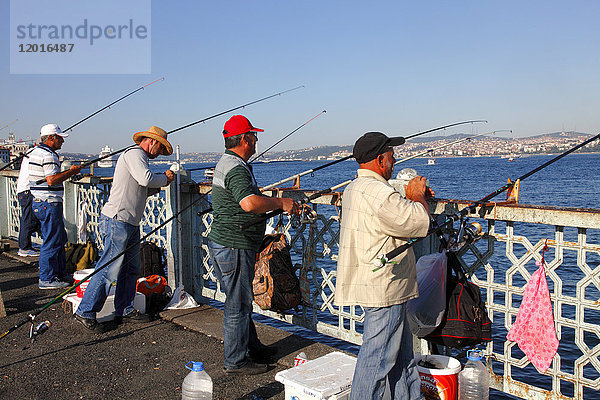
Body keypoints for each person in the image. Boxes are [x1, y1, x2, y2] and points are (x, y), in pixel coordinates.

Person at [334, 131, 434, 400]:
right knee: (377, 360)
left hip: (375, 281)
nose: (394, 161)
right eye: (391, 157)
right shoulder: (379, 193)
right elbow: (417, 222)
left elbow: (385, 198)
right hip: (385, 287)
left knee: (402, 355)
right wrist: (418, 197)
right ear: (380, 160)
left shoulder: (354, 187)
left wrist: (407, 191)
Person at [207, 115, 301, 375]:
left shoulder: (227, 163)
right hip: (234, 245)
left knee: (239, 300)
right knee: (238, 305)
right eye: (254, 136)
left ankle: (251, 347)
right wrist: (281, 203)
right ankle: (235, 361)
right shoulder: (236, 168)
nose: (257, 140)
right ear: (245, 140)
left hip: (226, 242)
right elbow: (248, 203)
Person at [74, 126, 175, 331]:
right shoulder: (135, 154)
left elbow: (140, 188)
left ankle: (124, 308)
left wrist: (158, 184)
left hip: (129, 222)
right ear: (152, 142)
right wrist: (165, 178)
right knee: (109, 268)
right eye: (160, 148)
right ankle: (85, 311)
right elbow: (145, 179)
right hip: (118, 220)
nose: (159, 154)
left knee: (130, 269)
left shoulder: (140, 159)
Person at [29, 124, 82, 289]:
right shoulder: (49, 156)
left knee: (55, 239)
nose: (62, 142)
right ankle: (47, 278)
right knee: (51, 241)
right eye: (60, 138)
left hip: (38, 201)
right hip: (49, 202)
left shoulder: (35, 152)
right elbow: (52, 180)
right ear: (51, 137)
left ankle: (58, 274)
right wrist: (72, 172)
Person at [16, 150, 41, 257]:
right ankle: (24, 248)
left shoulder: (29, 153)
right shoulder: (36, 154)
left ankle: (26, 246)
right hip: (28, 191)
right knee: (28, 220)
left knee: (29, 219)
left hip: (23, 191)